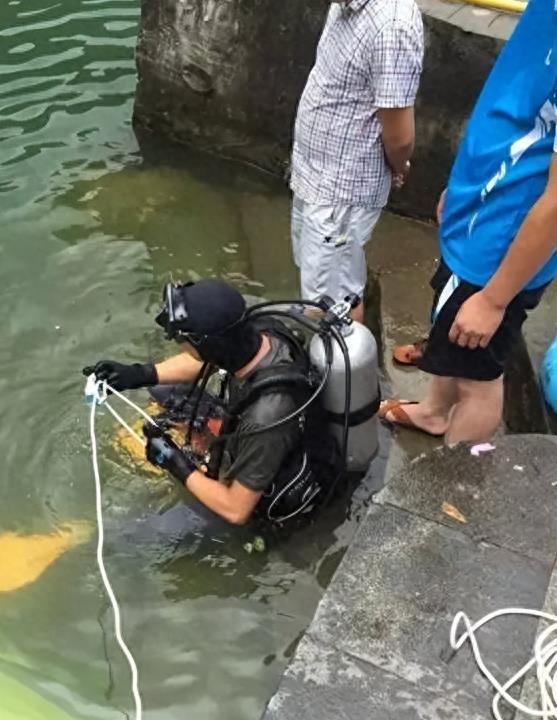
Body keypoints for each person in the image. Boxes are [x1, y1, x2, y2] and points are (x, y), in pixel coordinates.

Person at [380, 0, 557, 443]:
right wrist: (464, 190)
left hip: (500, 244)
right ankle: (436, 413)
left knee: (479, 378)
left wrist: (495, 300)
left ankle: (453, 491)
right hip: (482, 208)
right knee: (453, 337)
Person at [83, 279, 328, 526]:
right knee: (162, 389)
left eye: (186, 345)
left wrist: (174, 462)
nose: (184, 350)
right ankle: (208, 440)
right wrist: (138, 374)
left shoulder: (267, 415)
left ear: (212, 347)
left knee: (144, 525)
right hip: (261, 430)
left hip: (264, 488)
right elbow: (206, 360)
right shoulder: (259, 332)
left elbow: (236, 510)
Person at [290, 0, 424, 323]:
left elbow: (400, 136)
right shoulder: (346, 6)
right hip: (313, 175)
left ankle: (342, 370)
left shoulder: (392, 25)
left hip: (342, 188)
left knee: (333, 303)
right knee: (318, 283)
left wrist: (398, 165)